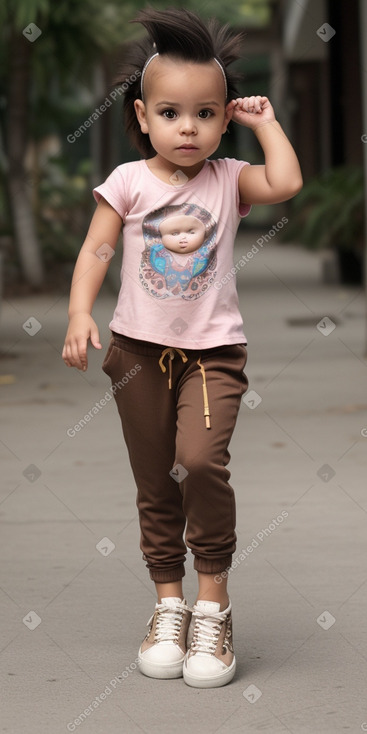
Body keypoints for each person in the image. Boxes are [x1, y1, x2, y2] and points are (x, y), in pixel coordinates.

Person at [62, 7, 302, 689]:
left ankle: (212, 602)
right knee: (154, 480)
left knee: (197, 463)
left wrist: (265, 125)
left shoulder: (229, 178)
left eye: (205, 113)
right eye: (171, 112)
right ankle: (168, 604)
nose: (187, 126)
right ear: (142, 116)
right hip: (136, 354)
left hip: (213, 354)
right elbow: (97, 248)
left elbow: (284, 183)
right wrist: (81, 312)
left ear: (224, 119)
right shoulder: (127, 180)